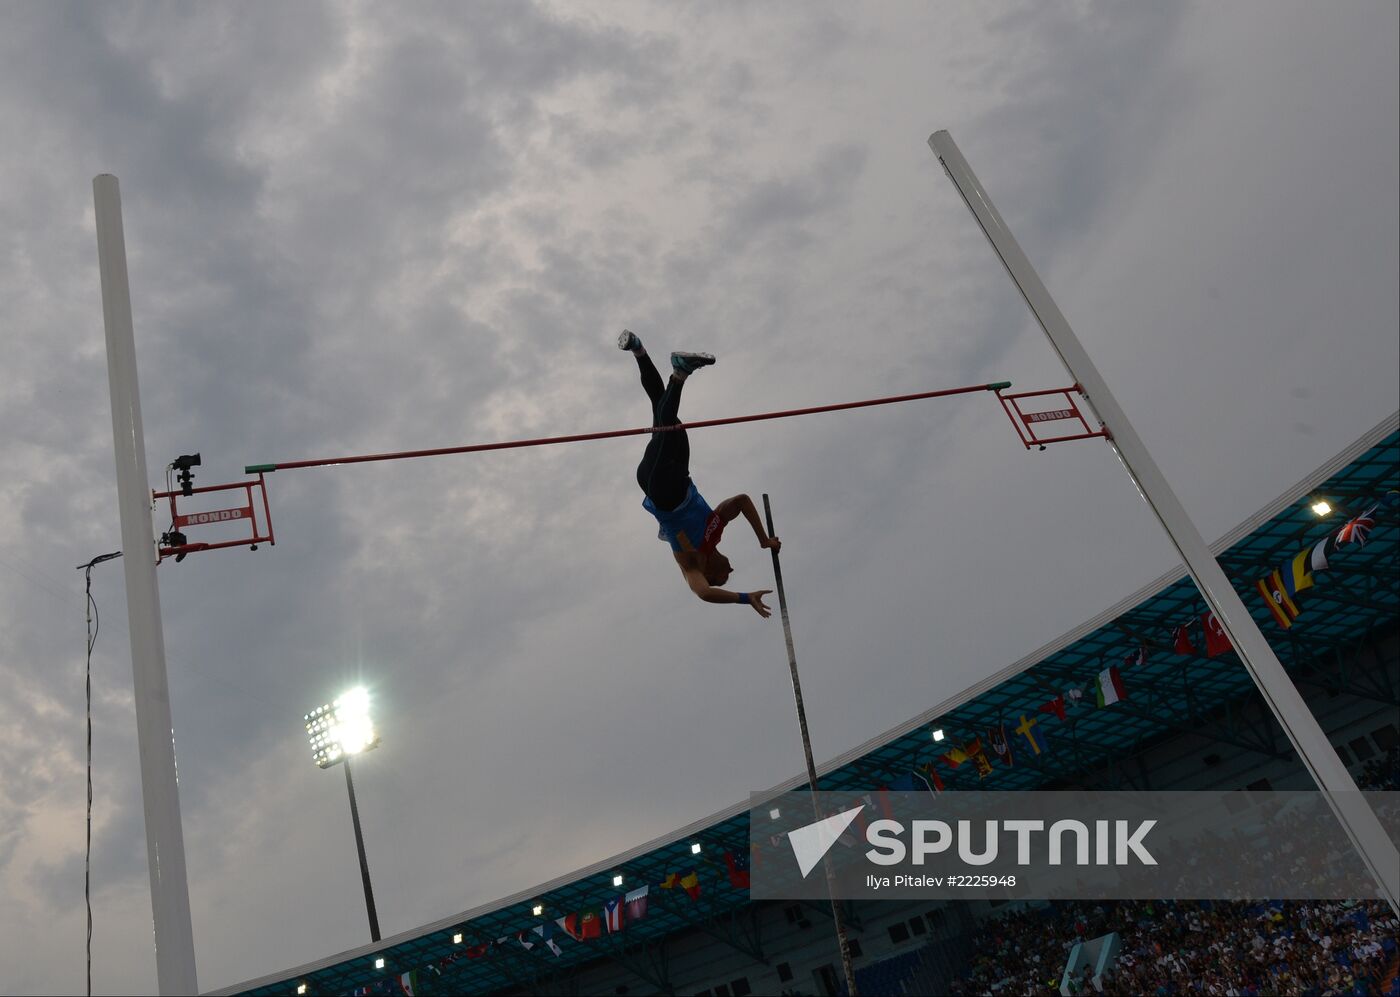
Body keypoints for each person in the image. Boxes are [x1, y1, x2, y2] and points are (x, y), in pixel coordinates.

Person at [619, 329, 781, 617]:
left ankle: (680, 374)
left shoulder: (692, 565)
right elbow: (743, 500)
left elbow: (704, 593)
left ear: (711, 575)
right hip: (680, 474)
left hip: (662, 491)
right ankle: (638, 349)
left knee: (665, 422)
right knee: (665, 415)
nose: (730, 568)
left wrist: (744, 598)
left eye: (726, 576)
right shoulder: (716, 527)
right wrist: (763, 539)